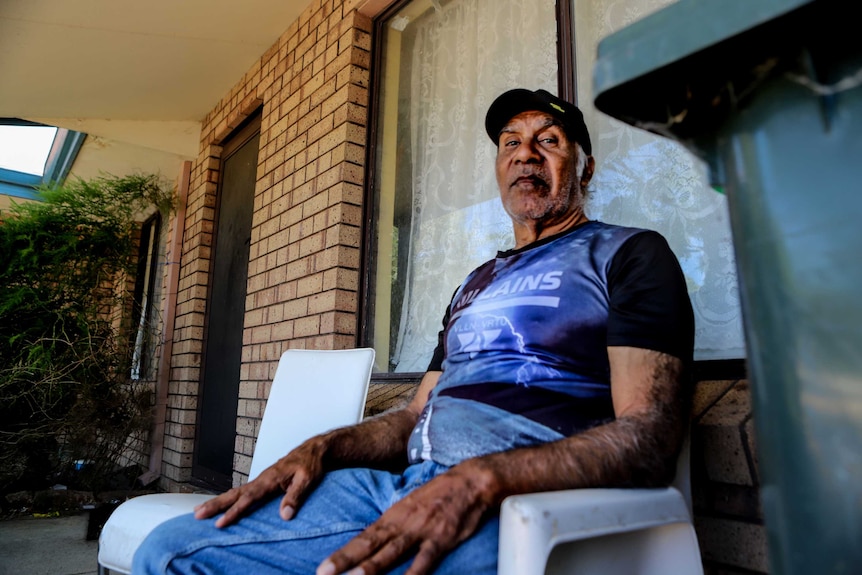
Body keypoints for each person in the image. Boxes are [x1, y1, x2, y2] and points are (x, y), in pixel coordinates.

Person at [134, 88, 694, 575]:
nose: (526, 154)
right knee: (171, 550)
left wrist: (481, 480)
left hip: (524, 503)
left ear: (585, 167)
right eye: (510, 143)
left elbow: (648, 437)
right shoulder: (474, 284)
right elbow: (410, 418)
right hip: (403, 485)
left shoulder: (628, 254)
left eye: (548, 140)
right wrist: (323, 447)